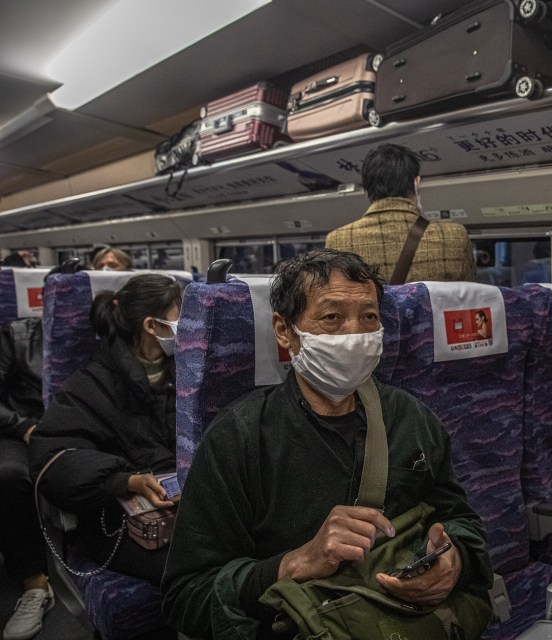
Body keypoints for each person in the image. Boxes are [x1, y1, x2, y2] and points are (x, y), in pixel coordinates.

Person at [161, 250, 493, 639]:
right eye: (332, 317)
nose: (355, 333)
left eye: (369, 317)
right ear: (285, 332)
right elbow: (185, 597)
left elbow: (461, 520)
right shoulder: (239, 437)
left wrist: (456, 561)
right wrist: (295, 563)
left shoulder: (410, 418)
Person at [30, 274, 182, 584]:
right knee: (199, 566)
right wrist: (125, 480)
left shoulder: (190, 371)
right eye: (182, 317)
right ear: (152, 326)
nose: (190, 328)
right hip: (120, 520)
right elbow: (52, 459)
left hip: (186, 505)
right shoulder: (90, 385)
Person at [325, 144, 476, 282]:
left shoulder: (337, 241)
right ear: (417, 184)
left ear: (366, 189)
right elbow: (471, 301)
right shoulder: (455, 236)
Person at [0, 305, 51, 640]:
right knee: (8, 475)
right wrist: (24, 427)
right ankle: (35, 583)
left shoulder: (107, 326)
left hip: (78, 422)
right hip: (24, 426)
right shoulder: (16, 334)